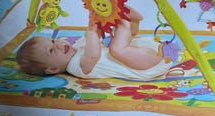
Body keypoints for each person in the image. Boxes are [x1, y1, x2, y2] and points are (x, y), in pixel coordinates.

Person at [16, 8, 170, 80]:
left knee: (124, 40)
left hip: (142, 52)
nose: (57, 44)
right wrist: (91, 30)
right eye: (51, 51)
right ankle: (126, 22)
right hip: (144, 66)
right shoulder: (76, 67)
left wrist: (98, 18)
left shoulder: (76, 47)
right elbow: (93, 54)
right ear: (53, 69)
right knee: (116, 49)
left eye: (52, 40)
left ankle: (133, 21)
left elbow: (97, 36)